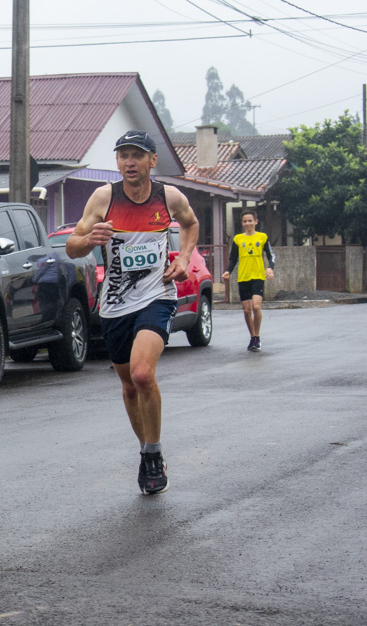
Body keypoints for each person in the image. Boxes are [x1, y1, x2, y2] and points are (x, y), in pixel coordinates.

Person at [66, 129, 199, 495]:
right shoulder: (103, 197)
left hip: (157, 295)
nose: (129, 162)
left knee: (142, 374)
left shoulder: (168, 196)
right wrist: (88, 240)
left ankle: (153, 454)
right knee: (128, 386)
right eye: (123, 155)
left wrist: (184, 257)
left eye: (137, 155)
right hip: (115, 304)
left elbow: (190, 224)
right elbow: (72, 246)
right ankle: (146, 448)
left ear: (152, 161)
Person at [222, 208, 276, 351]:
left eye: (250, 220)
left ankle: (257, 336)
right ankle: (253, 337)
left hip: (258, 276)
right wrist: (228, 271)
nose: (248, 223)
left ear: (256, 222)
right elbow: (233, 258)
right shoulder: (238, 239)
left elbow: (271, 255)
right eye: (245, 221)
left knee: (256, 306)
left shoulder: (262, 237)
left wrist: (270, 268)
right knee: (246, 310)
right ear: (242, 223)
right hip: (243, 277)